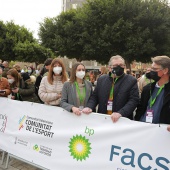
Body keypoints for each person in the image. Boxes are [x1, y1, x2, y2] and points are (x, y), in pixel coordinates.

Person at [82, 55, 139, 122]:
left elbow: (133, 100)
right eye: (115, 65)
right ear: (109, 68)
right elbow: (95, 97)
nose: (118, 67)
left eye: (121, 65)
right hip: (103, 118)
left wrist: (121, 113)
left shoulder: (131, 80)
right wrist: (89, 107)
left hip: (121, 120)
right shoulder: (101, 79)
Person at [135, 56, 170, 124]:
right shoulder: (147, 88)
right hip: (144, 128)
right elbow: (140, 108)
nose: (151, 71)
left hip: (162, 130)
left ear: (165, 70)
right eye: (151, 68)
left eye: (154, 69)